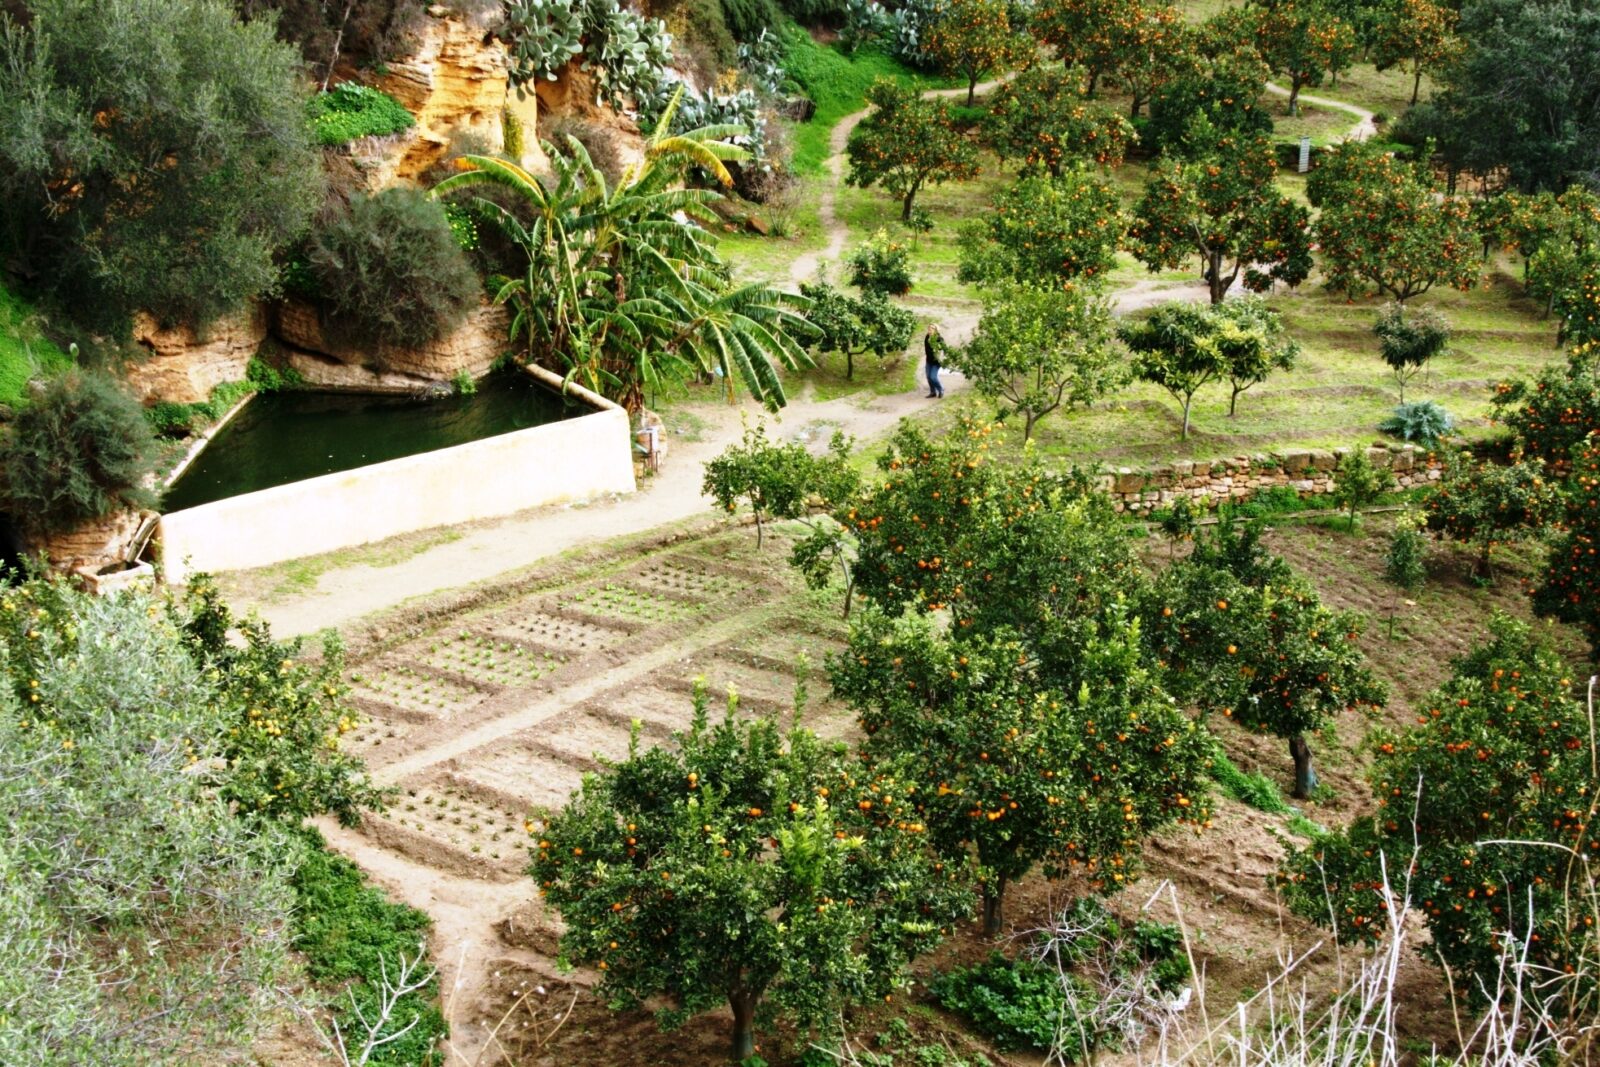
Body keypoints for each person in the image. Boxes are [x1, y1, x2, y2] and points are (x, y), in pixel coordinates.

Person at [923, 326, 946, 399]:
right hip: (929, 360)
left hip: (936, 362)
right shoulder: (927, 337)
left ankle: (941, 389)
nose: (929, 331)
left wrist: (940, 357)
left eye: (931, 329)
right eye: (928, 329)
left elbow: (944, 349)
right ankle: (933, 392)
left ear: (935, 331)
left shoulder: (939, 339)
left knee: (933, 377)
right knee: (928, 377)